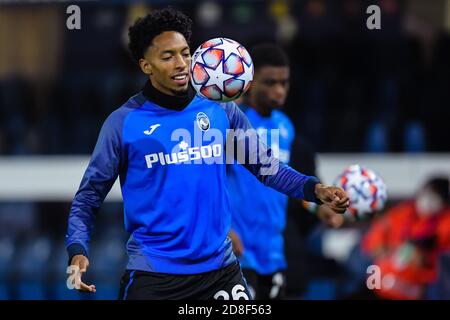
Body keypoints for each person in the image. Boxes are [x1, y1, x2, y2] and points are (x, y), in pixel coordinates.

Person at [65, 8, 349, 300]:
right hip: (155, 277)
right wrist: (77, 250)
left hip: (220, 274)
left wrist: (315, 189)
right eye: (168, 56)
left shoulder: (220, 109)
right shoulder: (123, 124)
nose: (181, 64)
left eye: (185, 53)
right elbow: (88, 197)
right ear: (145, 66)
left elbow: (266, 167)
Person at [227, 44, 344, 299]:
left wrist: (319, 206)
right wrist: (222, 228)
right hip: (236, 250)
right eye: (270, 82)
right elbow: (207, 182)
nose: (279, 90)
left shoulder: (285, 126)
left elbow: (291, 180)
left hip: (273, 252)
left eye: (284, 83)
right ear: (249, 82)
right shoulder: (231, 123)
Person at [361, 176, 450, 299]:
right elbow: (378, 232)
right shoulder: (403, 212)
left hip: (416, 286)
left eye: (435, 199)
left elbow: (440, 251)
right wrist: (378, 246)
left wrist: (425, 258)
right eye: (426, 195)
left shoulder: (444, 223)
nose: (428, 202)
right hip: (380, 281)